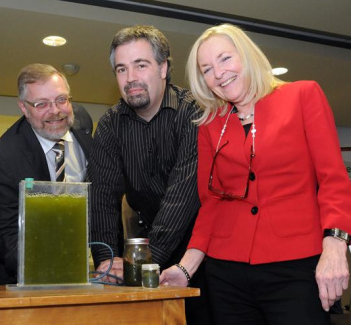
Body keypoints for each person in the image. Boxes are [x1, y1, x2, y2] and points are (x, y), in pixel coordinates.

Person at [160, 23, 351, 325]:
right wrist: (185, 268)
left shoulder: (303, 96)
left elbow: (334, 180)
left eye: (225, 59)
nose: (218, 73)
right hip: (227, 274)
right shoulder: (210, 124)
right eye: (207, 69)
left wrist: (336, 246)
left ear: (246, 55)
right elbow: (211, 205)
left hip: (296, 267)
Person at [88, 25, 211, 324]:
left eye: (140, 65)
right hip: (144, 246)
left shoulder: (194, 112)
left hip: (200, 250)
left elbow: (182, 197)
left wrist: (141, 262)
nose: (130, 78)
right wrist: (107, 263)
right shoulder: (110, 124)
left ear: (163, 67)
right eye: (121, 69)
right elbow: (102, 196)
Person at [0, 63, 93, 284]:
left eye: (61, 100)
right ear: (24, 108)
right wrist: (52, 272)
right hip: (29, 277)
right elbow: (5, 233)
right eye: (41, 104)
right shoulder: (5, 157)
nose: (55, 111)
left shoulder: (87, 141)